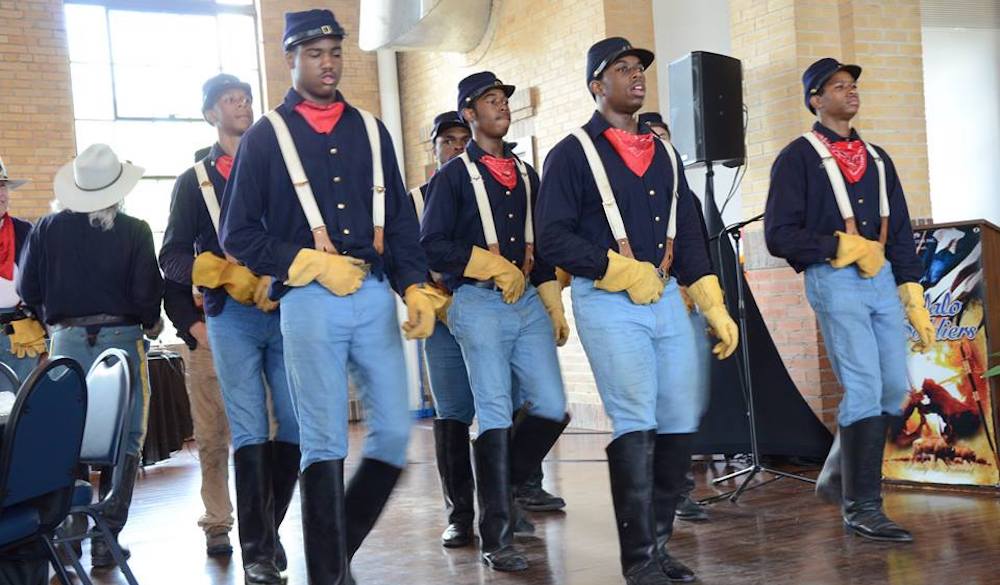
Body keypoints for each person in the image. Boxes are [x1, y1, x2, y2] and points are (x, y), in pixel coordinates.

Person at [219, 9, 446, 583]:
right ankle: (329, 573)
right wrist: (305, 262)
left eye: (336, 52)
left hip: (373, 296)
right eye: (315, 53)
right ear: (290, 59)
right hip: (309, 300)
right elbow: (237, 233)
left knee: (394, 432)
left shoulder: (371, 129)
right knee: (323, 440)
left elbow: (397, 222)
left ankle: (332, 549)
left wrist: (414, 284)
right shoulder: (267, 136)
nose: (328, 63)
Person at [535, 38, 739, 584]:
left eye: (638, 68)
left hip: (670, 299)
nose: (636, 76)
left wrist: (713, 302)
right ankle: (638, 561)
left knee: (678, 420)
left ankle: (660, 543)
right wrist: (616, 269)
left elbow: (690, 233)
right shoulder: (571, 153)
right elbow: (551, 237)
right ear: (596, 86)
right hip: (608, 302)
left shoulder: (666, 152)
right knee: (636, 422)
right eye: (621, 70)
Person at [764, 57, 933, 543]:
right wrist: (837, 245)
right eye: (838, 86)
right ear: (816, 100)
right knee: (861, 388)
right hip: (834, 279)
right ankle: (863, 507)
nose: (850, 91)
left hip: (881, 279)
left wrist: (912, 289)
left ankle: (838, 475)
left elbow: (898, 229)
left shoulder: (878, 157)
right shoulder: (796, 157)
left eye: (853, 84)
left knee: (889, 391)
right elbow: (779, 235)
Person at [421, 71, 570, 572]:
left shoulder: (528, 175)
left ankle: (499, 485)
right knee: (493, 410)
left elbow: (544, 244)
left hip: (526, 299)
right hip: (476, 302)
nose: (501, 106)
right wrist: (488, 265)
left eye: (504, 98)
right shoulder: (450, 178)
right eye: (490, 100)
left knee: (551, 405)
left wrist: (552, 301)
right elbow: (433, 246)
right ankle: (496, 534)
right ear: (469, 113)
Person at [161, 73, 302, 582]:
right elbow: (172, 256)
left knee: (294, 423)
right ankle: (258, 554)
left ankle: (268, 528)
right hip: (229, 319)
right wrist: (215, 271)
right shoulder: (193, 181)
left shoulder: (278, 171)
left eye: (246, 99)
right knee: (245, 429)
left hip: (285, 310)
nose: (241, 106)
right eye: (230, 100)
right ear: (209, 114)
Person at [18, 143, 163, 568]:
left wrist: (57, 322)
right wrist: (151, 324)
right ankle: (108, 536)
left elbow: (29, 291)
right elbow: (145, 294)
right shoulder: (135, 229)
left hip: (65, 341)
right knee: (126, 435)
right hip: (122, 336)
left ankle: (70, 532)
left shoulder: (46, 229)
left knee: (68, 436)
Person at [636, 112, 709, 524]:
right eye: (652, 138)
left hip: (685, 305)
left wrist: (701, 294)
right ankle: (666, 492)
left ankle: (676, 485)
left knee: (686, 400)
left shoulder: (685, 196)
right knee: (650, 402)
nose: (662, 147)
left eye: (666, 139)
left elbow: (695, 247)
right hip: (641, 304)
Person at [0, 156, 45, 384]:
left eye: (3, 186)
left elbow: (42, 284)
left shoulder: (25, 230)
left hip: (21, 338)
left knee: (24, 411)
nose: (1, 194)